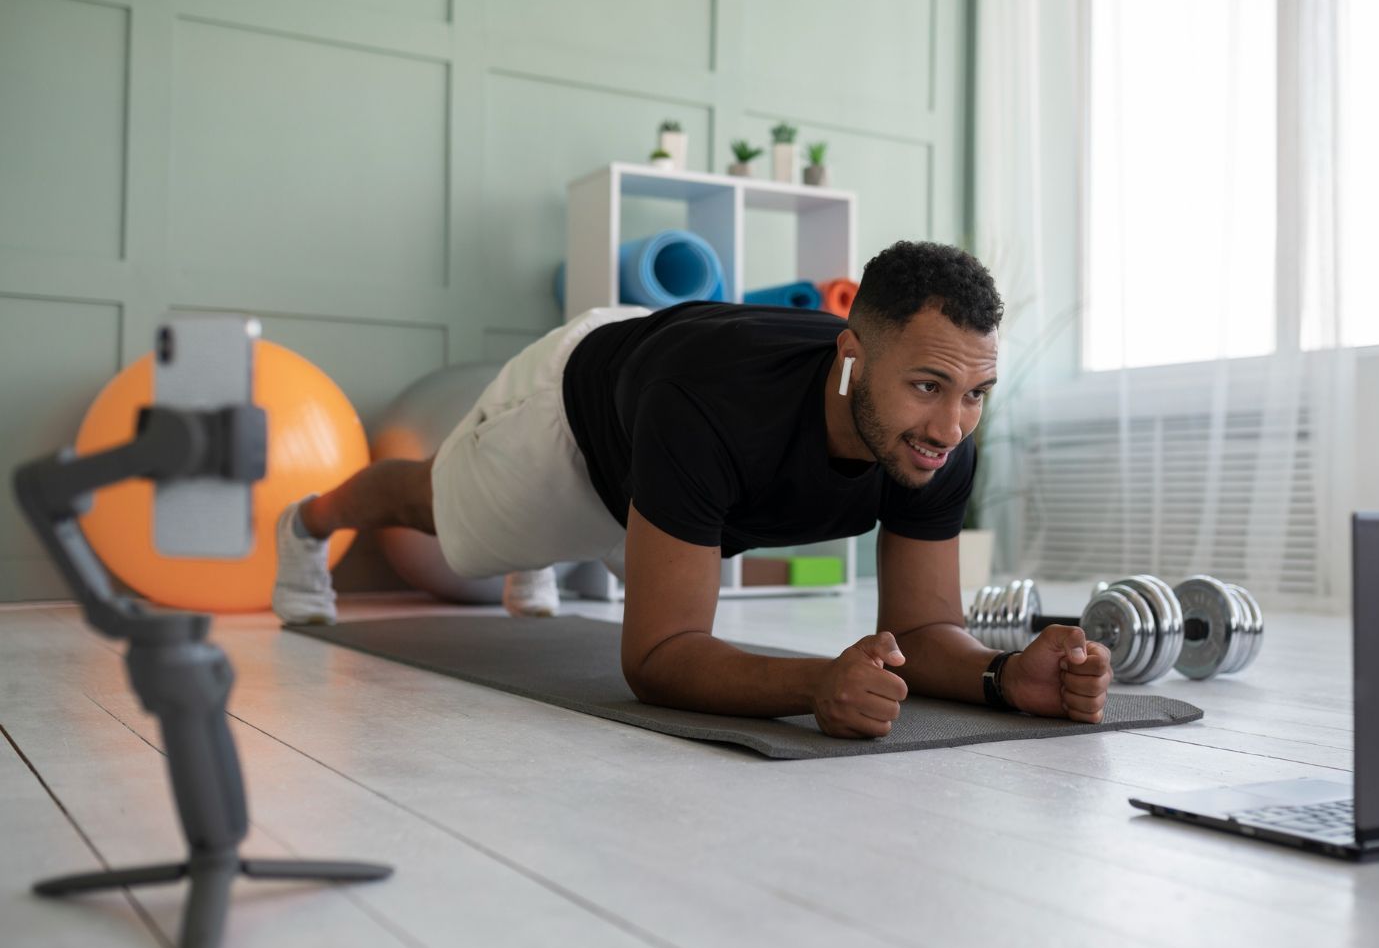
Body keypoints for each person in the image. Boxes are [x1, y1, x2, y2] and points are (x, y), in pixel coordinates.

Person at [273, 240, 1114, 737]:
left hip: (665, 453)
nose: (951, 426)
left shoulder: (940, 440)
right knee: (440, 516)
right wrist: (813, 683)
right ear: (852, 354)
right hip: (578, 422)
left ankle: (542, 558)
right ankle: (306, 524)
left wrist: (1005, 678)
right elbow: (656, 660)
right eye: (928, 386)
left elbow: (925, 627)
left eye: (975, 394)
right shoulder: (712, 407)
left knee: (622, 543)